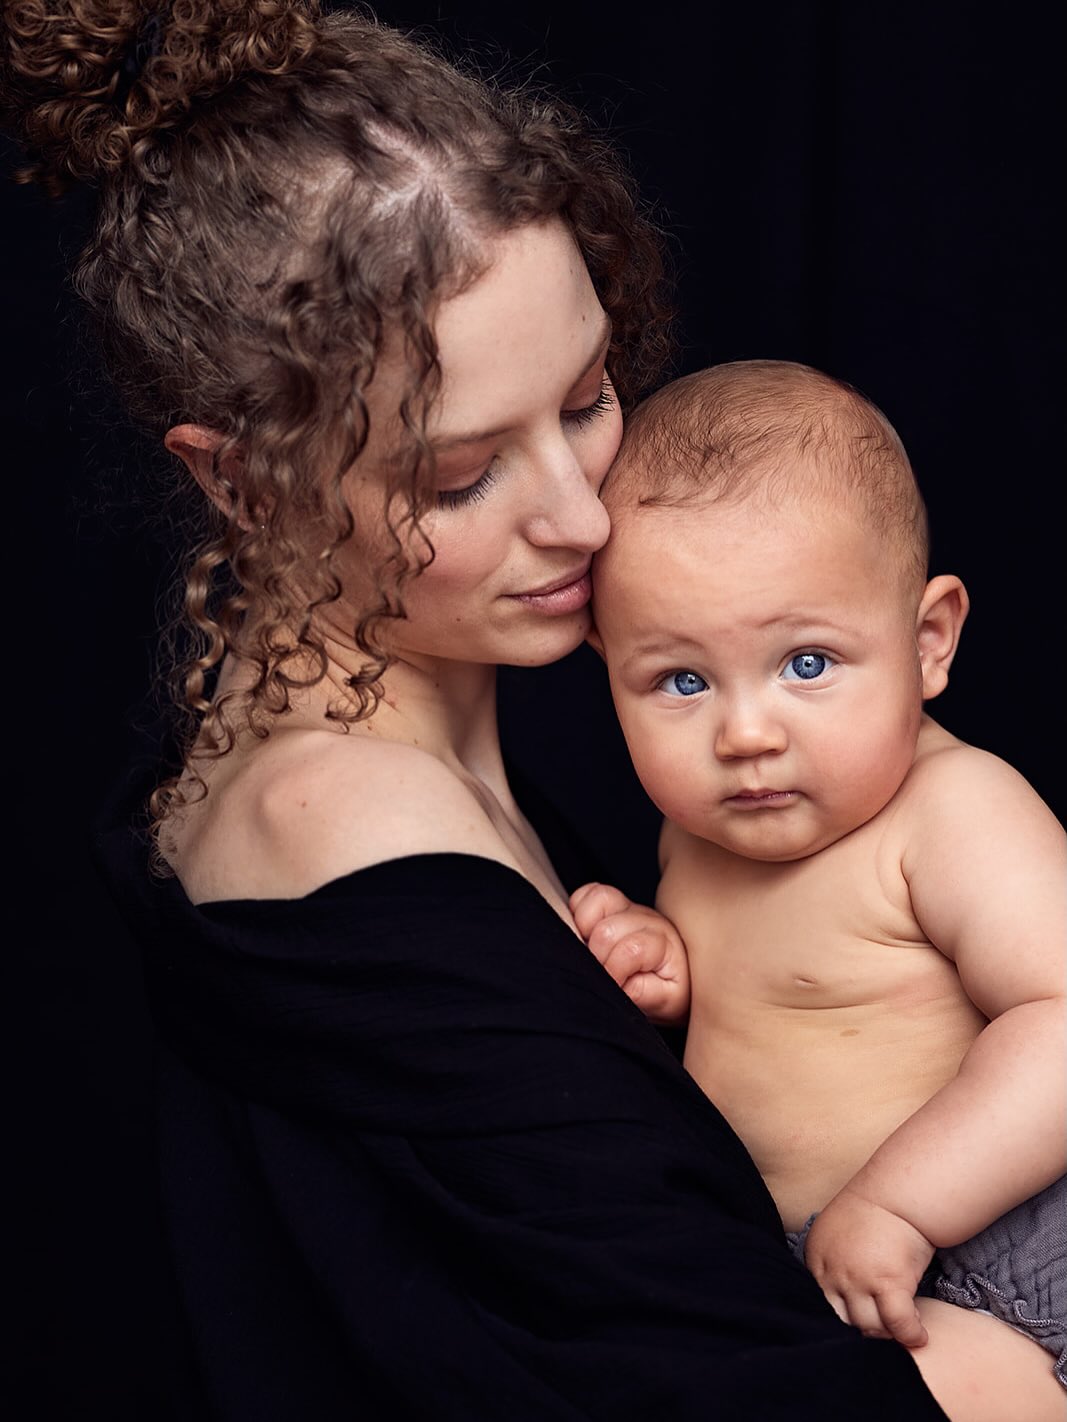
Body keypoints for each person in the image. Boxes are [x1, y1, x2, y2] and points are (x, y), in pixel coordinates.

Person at [3, 2, 1058, 1415]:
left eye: (583, 398)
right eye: (457, 479)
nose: (577, 516)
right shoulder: (357, 854)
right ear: (243, 481)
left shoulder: (403, 737)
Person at [578, 359, 1066, 1399]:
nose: (745, 734)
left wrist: (900, 1207)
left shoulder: (952, 811)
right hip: (820, 1266)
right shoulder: (696, 839)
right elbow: (782, 1004)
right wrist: (667, 969)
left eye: (805, 663)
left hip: (988, 1255)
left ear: (926, 642)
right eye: (679, 680)